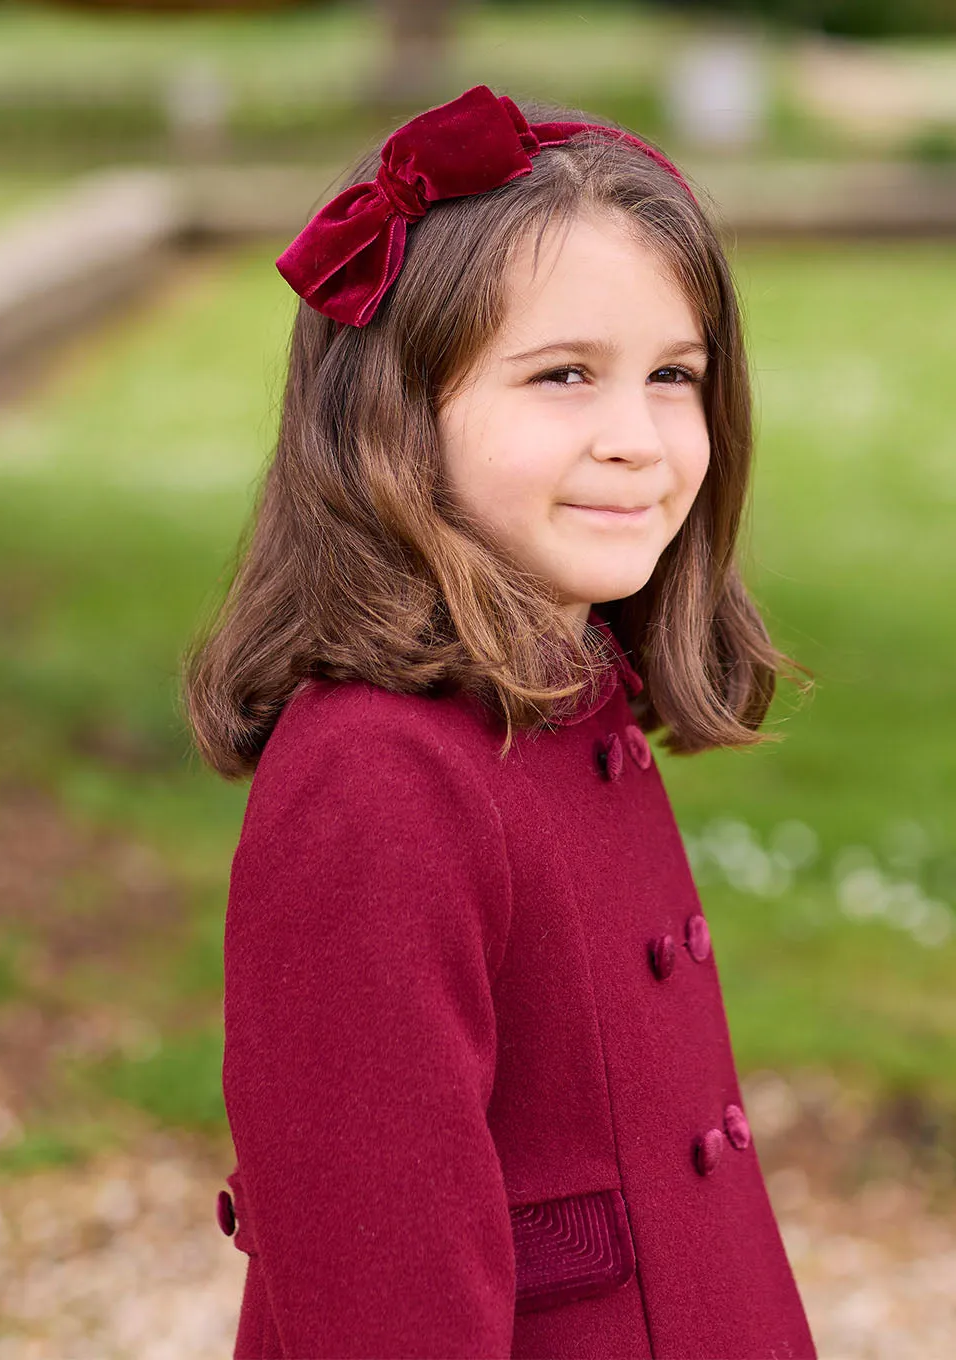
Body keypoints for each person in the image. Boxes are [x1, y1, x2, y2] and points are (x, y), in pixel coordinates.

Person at [182, 84, 816, 1360]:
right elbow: (377, 1274)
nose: (637, 439)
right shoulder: (376, 775)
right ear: (395, 417)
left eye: (673, 376)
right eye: (564, 376)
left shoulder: (563, 686)